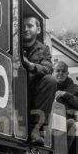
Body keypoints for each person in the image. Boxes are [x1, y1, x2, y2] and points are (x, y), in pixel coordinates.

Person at [21, 16, 56, 144]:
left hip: (32, 91)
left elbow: (47, 68)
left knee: (50, 81)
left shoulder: (44, 49)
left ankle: (36, 130)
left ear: (38, 29)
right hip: (13, 88)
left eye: (30, 26)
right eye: (23, 26)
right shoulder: (12, 43)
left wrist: (31, 65)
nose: (25, 29)